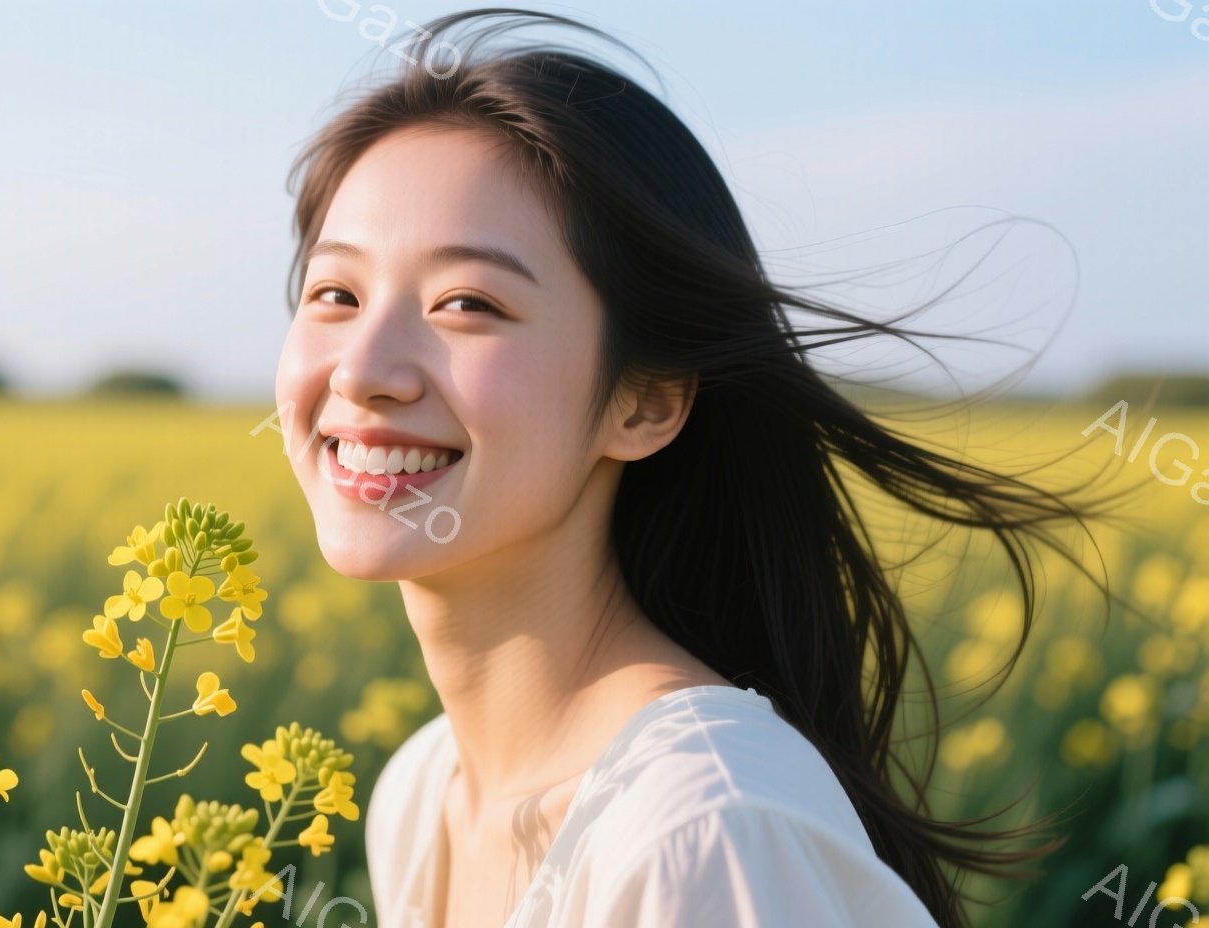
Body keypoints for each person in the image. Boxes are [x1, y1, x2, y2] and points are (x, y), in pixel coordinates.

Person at [271, 8, 1123, 927]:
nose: (362, 369)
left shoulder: (706, 830)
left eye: (467, 303)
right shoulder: (422, 791)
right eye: (336, 293)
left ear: (646, 402)